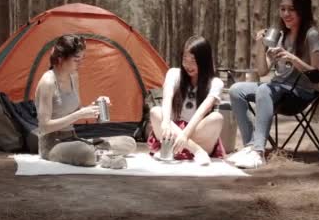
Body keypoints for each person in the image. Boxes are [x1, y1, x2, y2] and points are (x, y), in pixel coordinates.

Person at [228, 0, 319, 169]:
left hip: (301, 94)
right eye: (282, 9)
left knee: (265, 89)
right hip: (277, 90)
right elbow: (262, 71)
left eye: (291, 9)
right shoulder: (280, 36)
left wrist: (291, 58)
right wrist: (260, 45)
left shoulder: (312, 35)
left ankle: (258, 152)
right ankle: (250, 146)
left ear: (302, 10)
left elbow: (318, 76)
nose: (286, 14)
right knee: (236, 90)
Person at [35, 34, 135, 166]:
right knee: (85, 153)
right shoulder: (48, 82)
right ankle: (101, 155)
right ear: (60, 58)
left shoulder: (73, 77)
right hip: (53, 144)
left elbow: (76, 111)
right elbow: (44, 127)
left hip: (73, 138)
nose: (81, 63)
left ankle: (98, 154)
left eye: (82, 59)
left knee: (129, 142)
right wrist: (79, 114)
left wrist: (95, 106)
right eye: (77, 60)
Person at [147, 36, 225, 166]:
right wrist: (166, 121)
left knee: (217, 118)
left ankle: (178, 149)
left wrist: (185, 135)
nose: (188, 65)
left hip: (197, 132)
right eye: (185, 59)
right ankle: (197, 151)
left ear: (204, 61)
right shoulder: (174, 73)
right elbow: (167, 98)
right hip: (171, 133)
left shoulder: (215, 83)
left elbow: (201, 112)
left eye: (193, 60)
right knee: (156, 111)